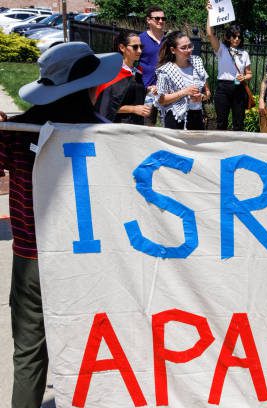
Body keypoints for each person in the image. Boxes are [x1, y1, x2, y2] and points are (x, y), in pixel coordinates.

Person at [0, 42, 121, 408]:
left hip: (31, 258)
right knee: (93, 353)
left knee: (29, 356)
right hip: (86, 262)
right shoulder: (107, 136)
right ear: (87, 87)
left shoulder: (19, 132)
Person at [206, 3, 252, 131]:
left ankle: (238, 148)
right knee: (221, 122)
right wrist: (210, 13)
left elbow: (249, 73)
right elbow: (210, 34)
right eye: (234, 36)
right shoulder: (222, 49)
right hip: (223, 88)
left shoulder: (245, 53)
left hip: (238, 87)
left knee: (238, 123)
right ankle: (221, 150)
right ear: (229, 36)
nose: (236, 39)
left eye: (239, 37)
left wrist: (244, 77)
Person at [155, 31, 211, 130]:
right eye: (183, 48)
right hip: (175, 117)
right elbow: (161, 99)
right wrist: (184, 92)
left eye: (190, 46)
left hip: (197, 115)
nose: (188, 50)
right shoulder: (165, 71)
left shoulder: (197, 62)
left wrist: (201, 97)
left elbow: (207, 92)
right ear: (173, 50)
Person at [95, 31, 149, 124]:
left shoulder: (138, 71)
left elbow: (132, 95)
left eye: (141, 47)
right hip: (119, 126)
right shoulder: (113, 74)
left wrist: (148, 90)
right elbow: (106, 106)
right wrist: (133, 109)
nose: (139, 51)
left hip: (138, 124)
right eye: (135, 47)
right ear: (122, 47)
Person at [139, 5, 166, 125]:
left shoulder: (168, 40)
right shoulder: (140, 40)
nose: (161, 21)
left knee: (169, 126)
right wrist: (144, 86)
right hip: (148, 90)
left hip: (166, 90)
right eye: (157, 18)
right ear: (148, 20)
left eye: (163, 18)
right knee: (147, 125)